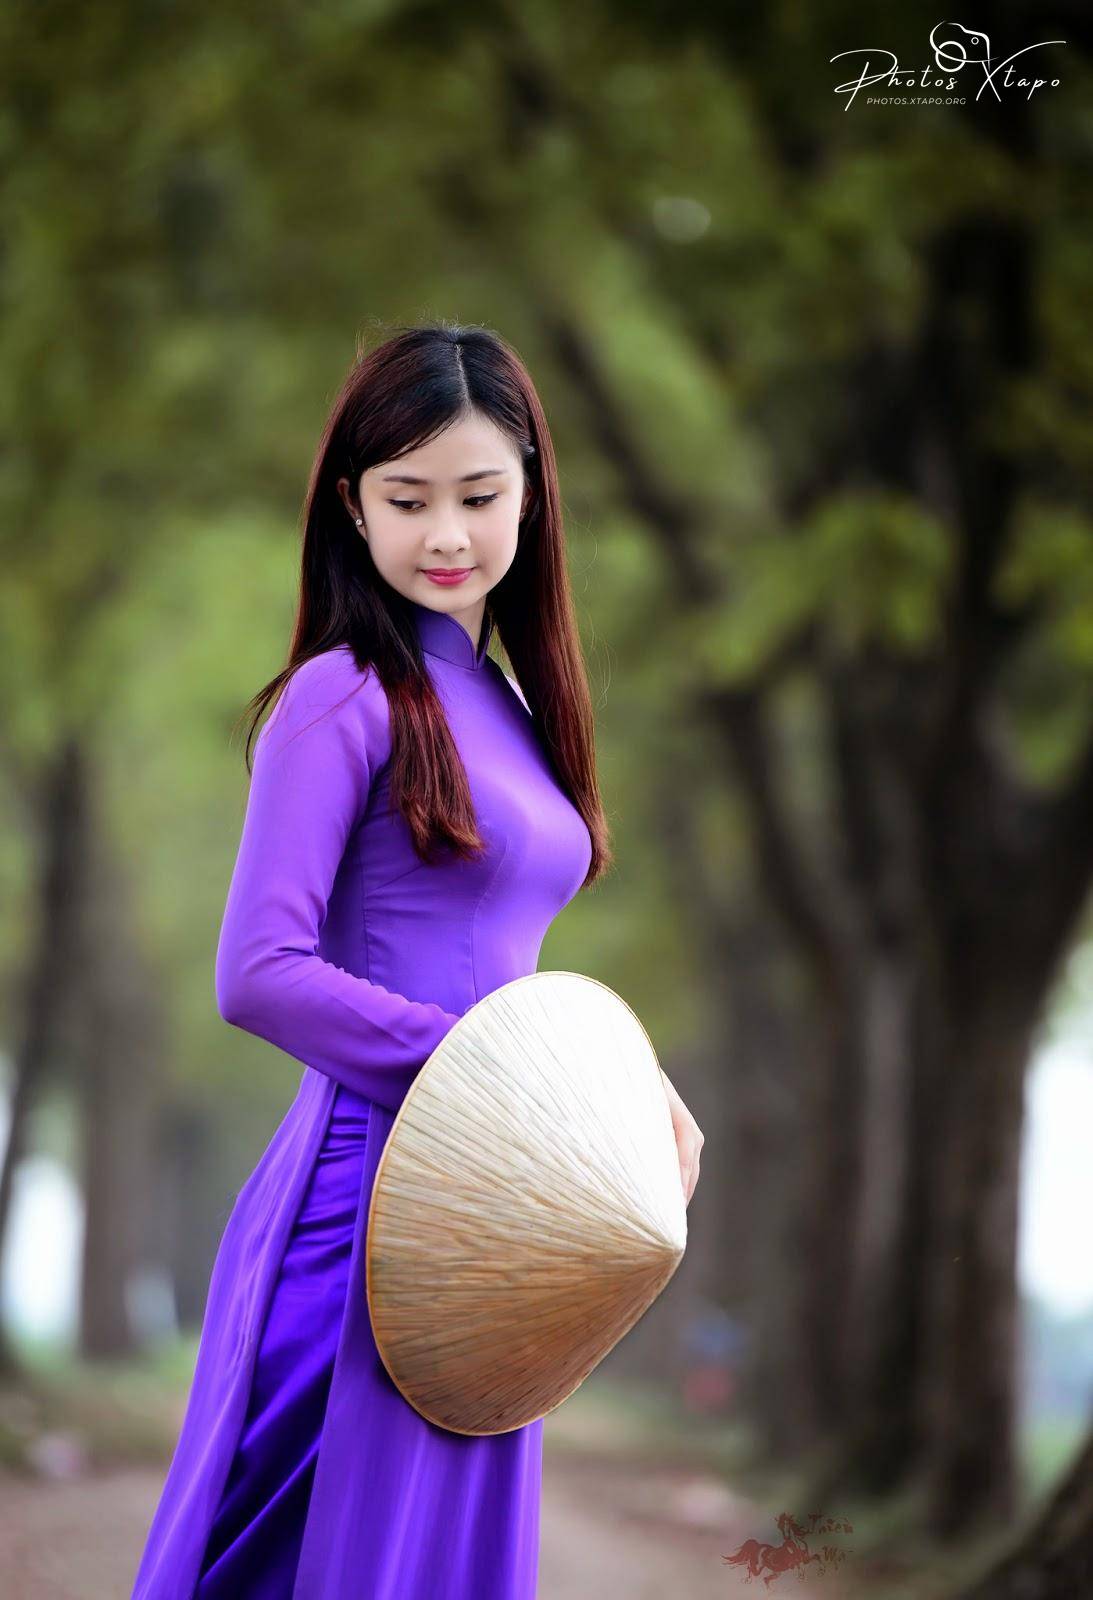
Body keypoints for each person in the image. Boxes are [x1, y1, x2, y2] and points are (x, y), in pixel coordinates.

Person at [131, 320, 704, 1600]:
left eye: (478, 496)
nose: (445, 533)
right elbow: (257, 967)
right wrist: (487, 1080)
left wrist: (616, 1092)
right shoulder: (338, 696)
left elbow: (508, 969)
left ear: (532, 499)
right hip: (364, 1214)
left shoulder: (506, 706)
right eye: (407, 499)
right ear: (352, 507)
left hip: (506, 1222)